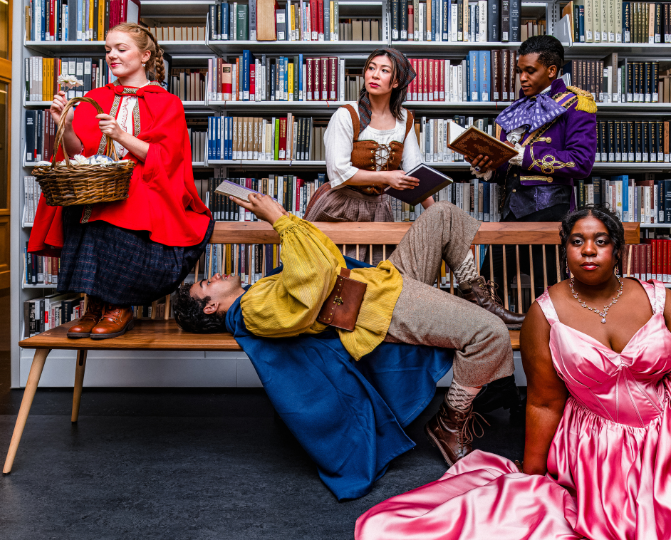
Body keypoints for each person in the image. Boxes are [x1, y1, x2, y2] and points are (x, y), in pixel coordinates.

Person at [355, 205, 671, 539]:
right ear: (564, 249)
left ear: (617, 250)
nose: (588, 249)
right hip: (600, 442)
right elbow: (544, 401)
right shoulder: (544, 314)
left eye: (600, 241)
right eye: (578, 241)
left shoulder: (660, 300)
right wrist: (532, 475)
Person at [174, 193, 516, 480]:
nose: (215, 274)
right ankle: (450, 422)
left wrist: (286, 221)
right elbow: (318, 277)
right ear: (210, 307)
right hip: (379, 307)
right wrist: (279, 219)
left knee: (443, 214)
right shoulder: (252, 310)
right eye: (207, 284)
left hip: (376, 283)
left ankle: (478, 296)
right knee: (490, 332)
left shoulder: (256, 293)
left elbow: (328, 260)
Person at [29, 23, 212, 339]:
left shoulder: (167, 102)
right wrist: (66, 125)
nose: (112, 55)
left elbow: (167, 160)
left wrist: (122, 136)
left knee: (123, 207)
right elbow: (78, 156)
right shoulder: (93, 98)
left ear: (145, 55)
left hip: (147, 187)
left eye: (121, 49)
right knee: (87, 207)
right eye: (108, 49)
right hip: (98, 186)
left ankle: (119, 305)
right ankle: (95, 305)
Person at [468, 34, 597, 418]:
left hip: (551, 218)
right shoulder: (514, 110)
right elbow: (510, 167)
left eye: (530, 70)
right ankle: (499, 387)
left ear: (551, 70)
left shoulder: (577, 102)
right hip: (512, 216)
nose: (521, 77)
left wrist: (525, 154)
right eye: (519, 70)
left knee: (553, 310)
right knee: (486, 302)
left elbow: (580, 162)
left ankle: (559, 393)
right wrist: (489, 165)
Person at [304, 48, 429, 266]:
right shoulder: (346, 115)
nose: (374, 74)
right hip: (339, 206)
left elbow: (414, 172)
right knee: (332, 275)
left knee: (376, 278)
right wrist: (387, 178)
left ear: (397, 81)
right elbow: (338, 172)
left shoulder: (405, 120)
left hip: (379, 209)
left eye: (384, 70)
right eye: (371, 68)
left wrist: (437, 211)